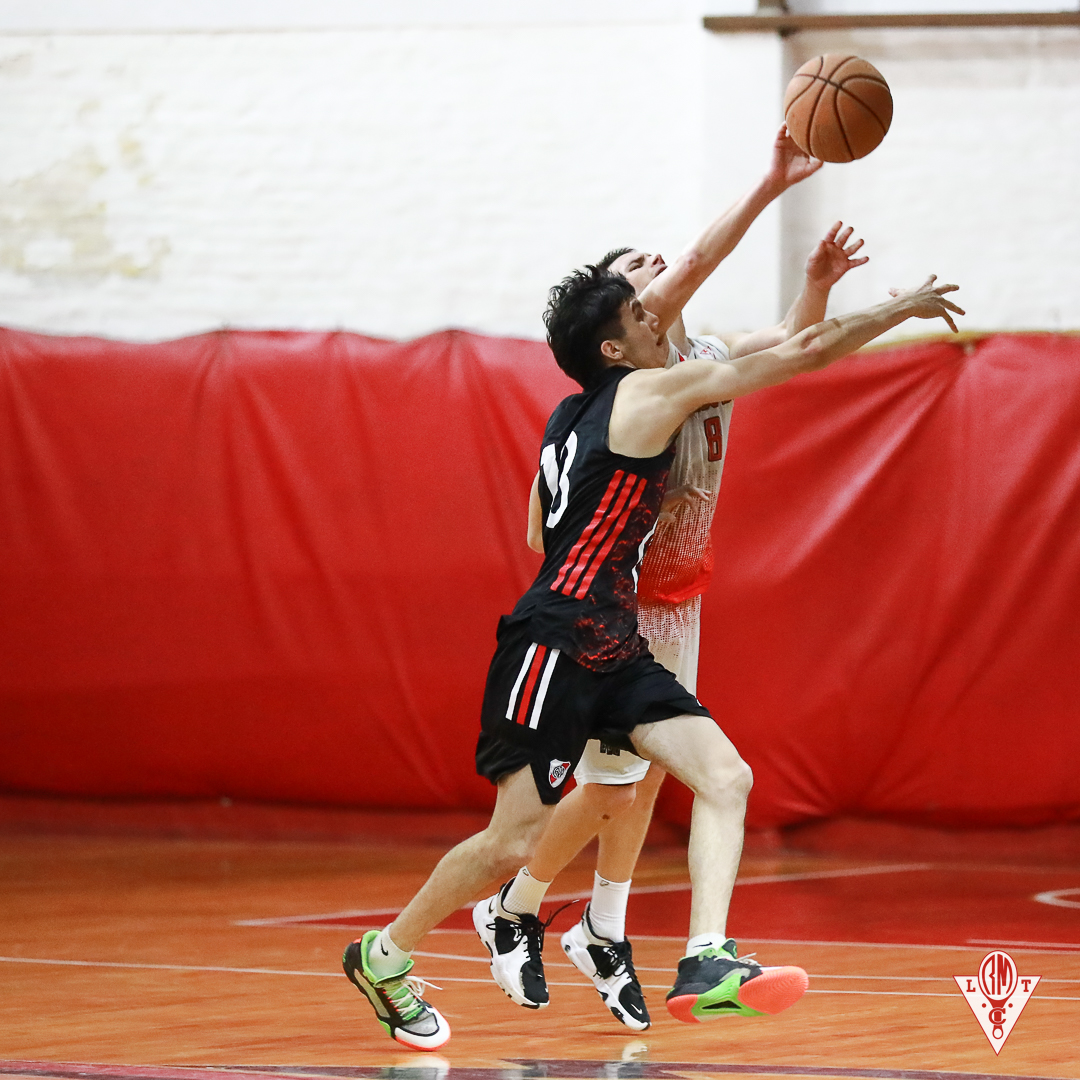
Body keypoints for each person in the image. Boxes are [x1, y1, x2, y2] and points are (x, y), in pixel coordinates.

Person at [342, 254, 963, 1050]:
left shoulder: (567, 416)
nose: (655, 316)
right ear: (615, 349)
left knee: (725, 778)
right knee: (515, 839)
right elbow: (804, 351)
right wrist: (900, 309)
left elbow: (536, 531)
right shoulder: (646, 391)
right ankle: (384, 954)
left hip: (616, 640)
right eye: (640, 314)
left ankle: (705, 960)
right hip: (555, 640)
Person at [479, 220, 870, 1031]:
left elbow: (793, 338)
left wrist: (819, 285)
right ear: (626, 314)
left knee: (643, 784)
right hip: (619, 607)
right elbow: (539, 532)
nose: (651, 262)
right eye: (632, 268)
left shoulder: (706, 356)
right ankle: (521, 905)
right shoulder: (619, 397)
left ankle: (601, 926)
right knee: (618, 787)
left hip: (681, 600)